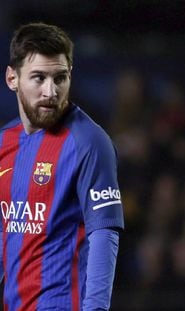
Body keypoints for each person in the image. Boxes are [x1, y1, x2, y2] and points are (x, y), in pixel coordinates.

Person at [0, 22, 124, 310]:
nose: (51, 91)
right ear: (12, 78)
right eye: (39, 78)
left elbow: (104, 235)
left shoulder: (90, 142)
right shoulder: (5, 142)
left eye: (60, 78)